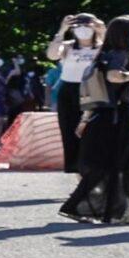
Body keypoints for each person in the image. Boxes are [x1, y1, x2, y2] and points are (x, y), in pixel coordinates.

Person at [59, 14, 129, 224]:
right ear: (126, 34)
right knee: (122, 165)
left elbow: (97, 89)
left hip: (102, 114)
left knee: (115, 164)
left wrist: (85, 119)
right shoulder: (119, 54)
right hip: (116, 116)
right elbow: (114, 77)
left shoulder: (105, 53)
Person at [45, 13, 103, 169]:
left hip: (93, 90)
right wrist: (62, 30)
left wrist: (102, 30)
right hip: (69, 90)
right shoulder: (69, 46)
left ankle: (93, 168)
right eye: (79, 26)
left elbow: (112, 54)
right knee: (70, 131)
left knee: (92, 131)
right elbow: (51, 55)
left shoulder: (101, 46)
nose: (83, 29)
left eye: (87, 25)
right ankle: (77, 170)